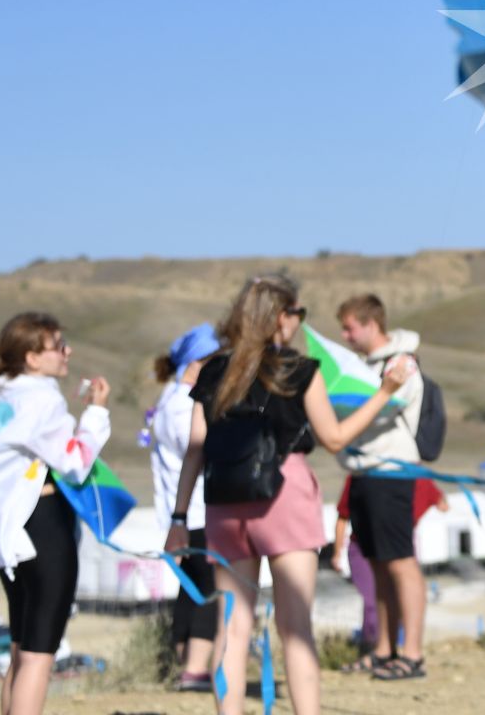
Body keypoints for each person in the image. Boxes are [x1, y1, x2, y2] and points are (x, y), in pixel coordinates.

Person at [168, 275, 412, 715]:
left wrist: (178, 518)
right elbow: (334, 438)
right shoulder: (297, 370)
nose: (299, 322)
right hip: (284, 498)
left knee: (232, 627)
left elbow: (196, 449)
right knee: (295, 628)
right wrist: (385, 392)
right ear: (281, 318)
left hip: (223, 504)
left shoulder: (212, 373)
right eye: (297, 314)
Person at [0, 313, 111, 715]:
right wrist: (96, 414)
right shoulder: (41, 398)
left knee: (20, 650)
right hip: (44, 523)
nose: (68, 352)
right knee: (39, 655)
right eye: (58, 346)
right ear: (32, 357)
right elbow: (75, 463)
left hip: (10, 529)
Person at [335, 294, 432, 680]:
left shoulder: (401, 364)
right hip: (362, 474)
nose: (345, 335)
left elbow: (385, 408)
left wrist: (350, 410)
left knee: (400, 561)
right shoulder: (359, 366)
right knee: (376, 563)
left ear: (372, 324)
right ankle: (383, 648)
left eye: (350, 327)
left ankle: (413, 653)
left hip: (391, 473)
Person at [144, 323, 221, 692]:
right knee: (211, 588)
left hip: (183, 511)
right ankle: (194, 669)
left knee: (190, 588)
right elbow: (197, 449)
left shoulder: (169, 398)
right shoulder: (183, 403)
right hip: (196, 509)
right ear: (198, 362)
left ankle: (181, 661)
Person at [333, 475, 447, 668]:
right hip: (371, 542)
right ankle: (381, 648)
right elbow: (343, 514)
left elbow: (441, 502)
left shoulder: (417, 477)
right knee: (376, 599)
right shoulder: (360, 475)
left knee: (395, 596)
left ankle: (399, 651)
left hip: (397, 540)